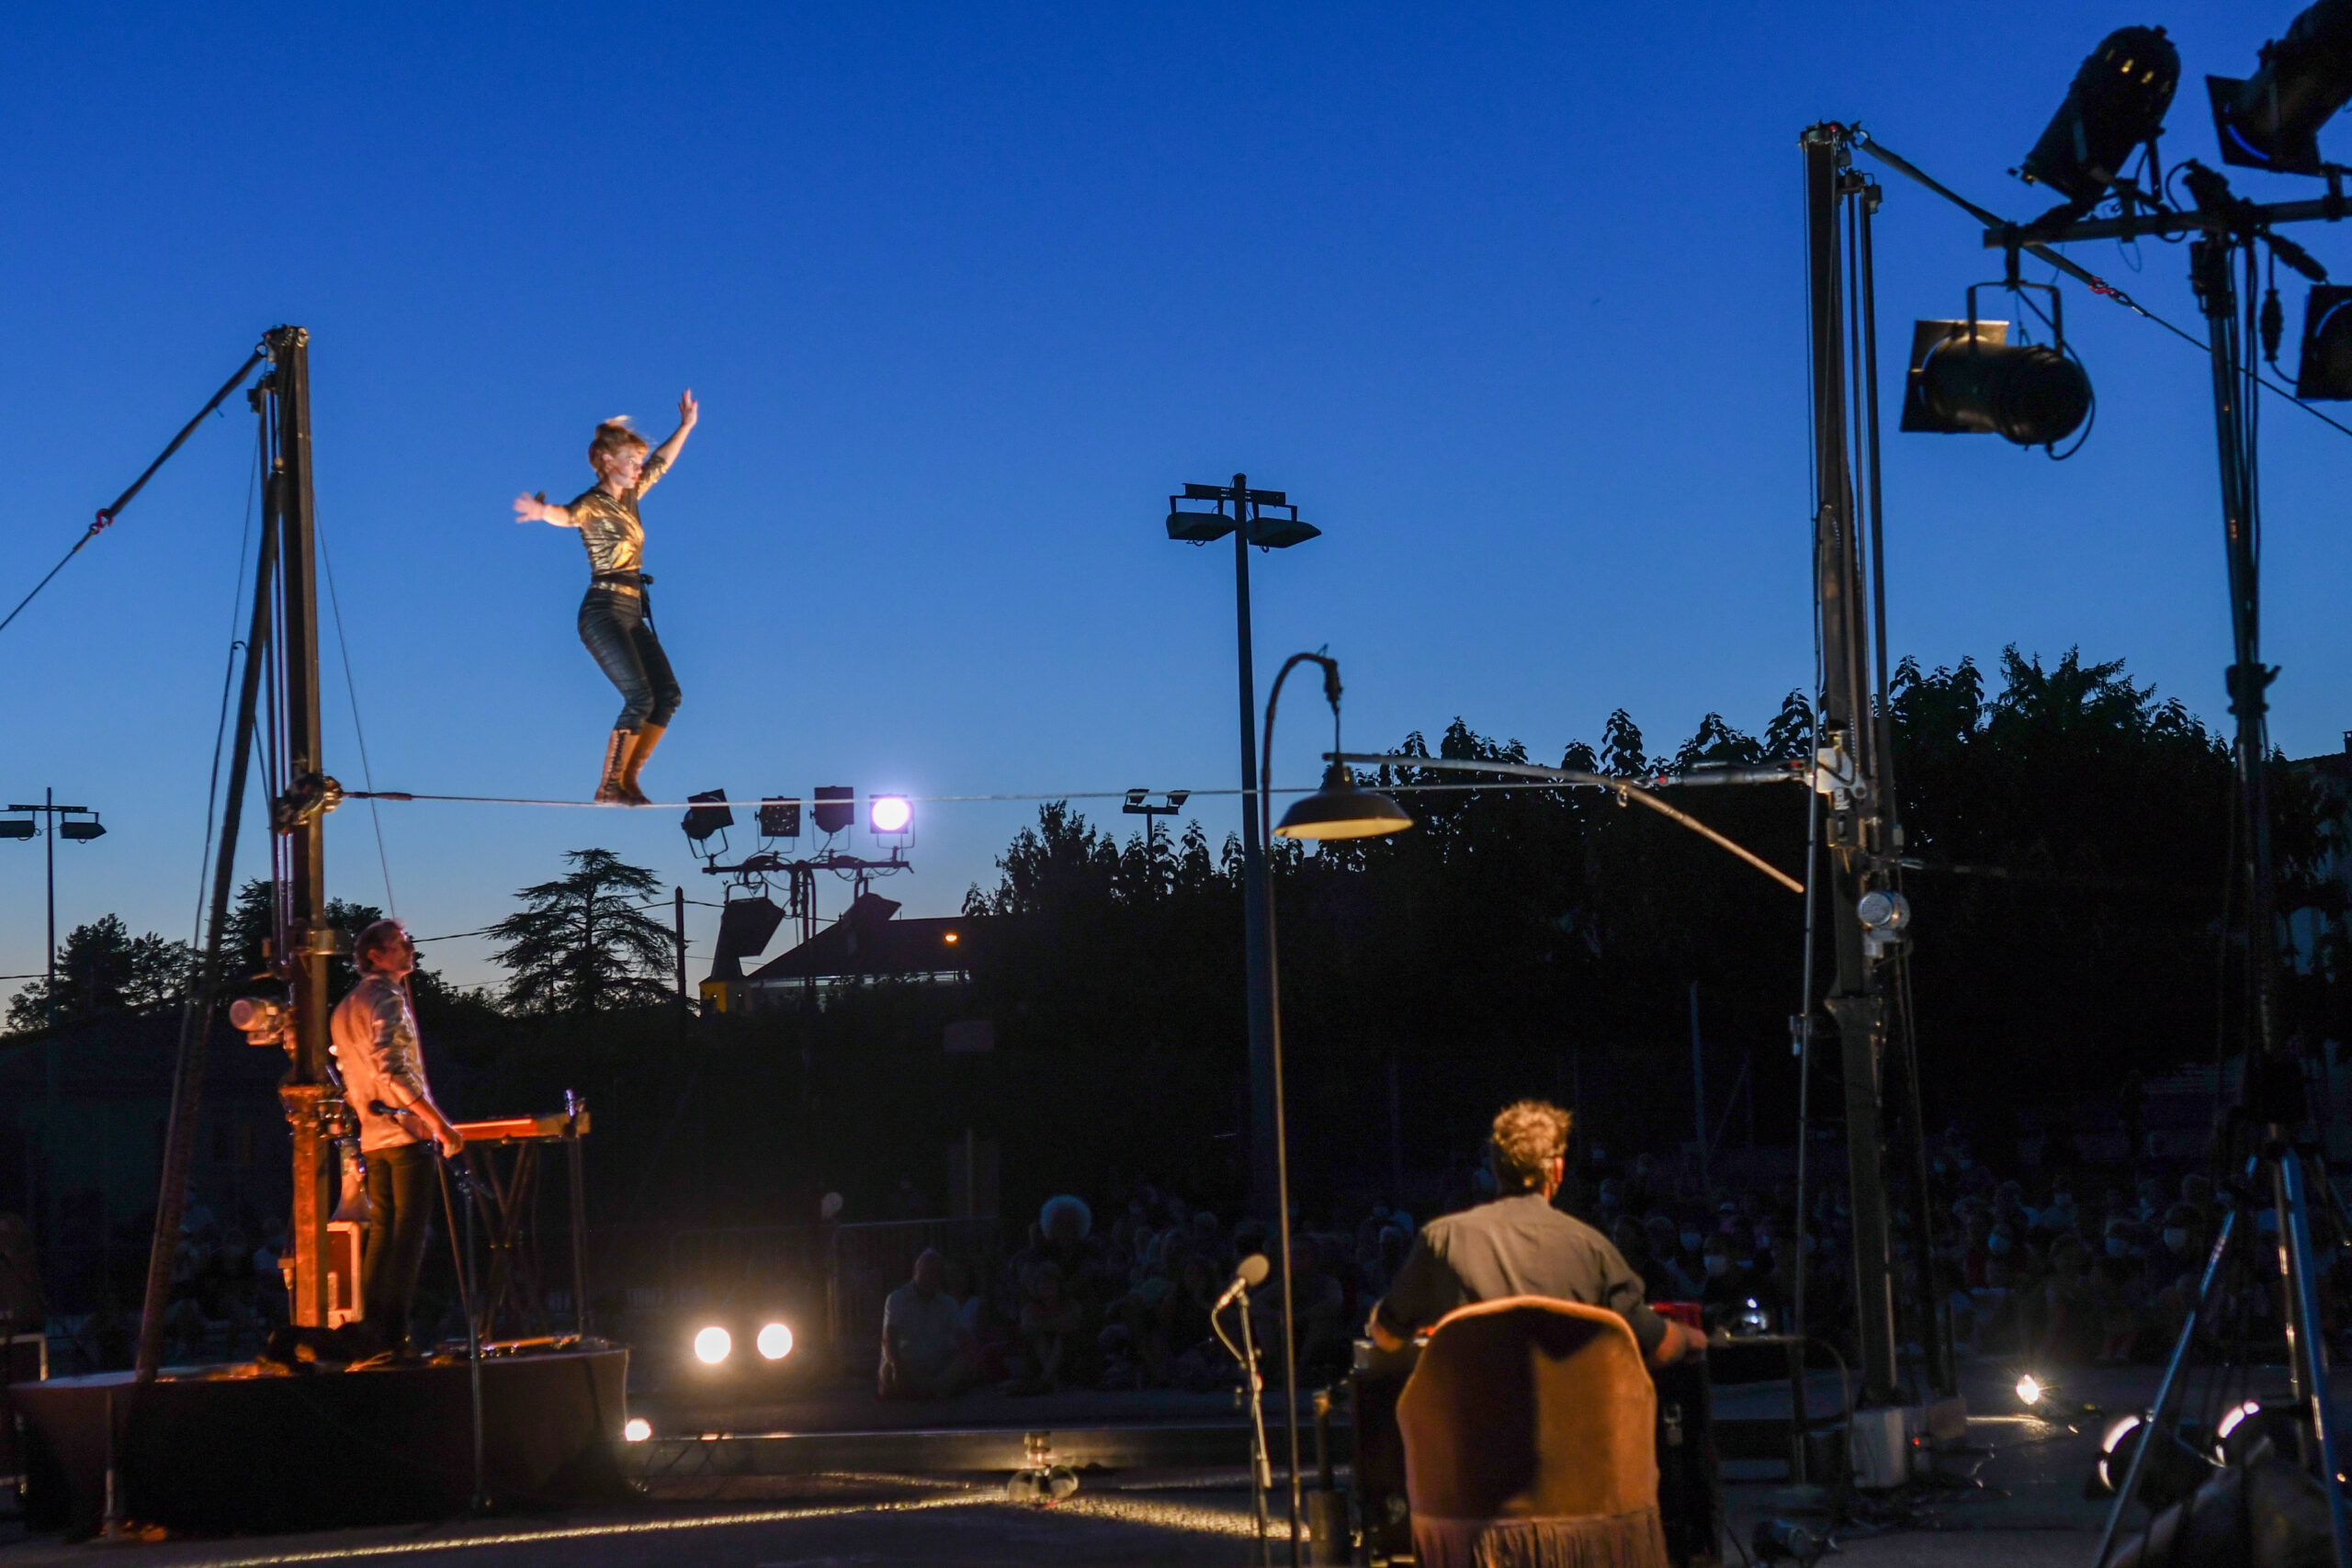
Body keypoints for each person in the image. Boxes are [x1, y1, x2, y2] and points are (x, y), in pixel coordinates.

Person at [1369, 1100, 1705, 1368]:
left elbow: (1387, 1337)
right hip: (1572, 1448)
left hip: (1470, 1450)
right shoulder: (1593, 1248)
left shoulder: (1440, 1239)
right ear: (1557, 1169)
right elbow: (1658, 1349)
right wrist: (1691, 1338)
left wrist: (1384, 1318)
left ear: (1496, 1168)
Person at [513, 392, 699, 804]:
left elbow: (661, 464)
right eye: (631, 462)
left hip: (631, 611)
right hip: (602, 612)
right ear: (608, 462)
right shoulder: (593, 503)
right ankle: (608, 785)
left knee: (668, 694)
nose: (637, 469)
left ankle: (629, 780)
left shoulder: (631, 495)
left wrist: (685, 427)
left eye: (637, 462)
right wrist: (544, 513)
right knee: (639, 696)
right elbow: (567, 515)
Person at [329, 919, 464, 1359]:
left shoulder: (345, 1007)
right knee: (407, 1236)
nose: (410, 948)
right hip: (403, 1134)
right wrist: (437, 1122)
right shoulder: (385, 999)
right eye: (400, 944)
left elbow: (354, 1078)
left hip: (374, 1137)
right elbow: (393, 1068)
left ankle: (371, 1330)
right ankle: (391, 1335)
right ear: (376, 955)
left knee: (385, 1233)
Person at [878, 1248, 969, 1399]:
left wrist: (968, 1355)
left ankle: (925, 1389)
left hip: (937, 1366)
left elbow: (963, 1336)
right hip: (907, 1365)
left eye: (935, 1273)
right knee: (889, 1370)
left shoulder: (948, 1303)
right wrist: (897, 1366)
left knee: (963, 1363)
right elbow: (889, 1337)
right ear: (916, 1272)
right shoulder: (897, 1299)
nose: (930, 1277)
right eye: (927, 1272)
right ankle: (936, 1389)